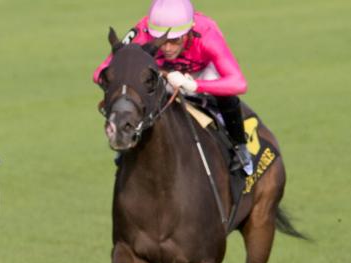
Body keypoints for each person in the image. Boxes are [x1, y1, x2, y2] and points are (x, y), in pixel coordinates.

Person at [93, 0, 254, 176]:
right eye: (161, 40)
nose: (167, 48)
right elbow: (100, 72)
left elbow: (239, 84)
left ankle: (241, 147)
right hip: (165, 74)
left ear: (189, 31)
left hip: (202, 73)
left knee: (225, 94)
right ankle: (129, 137)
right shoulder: (141, 31)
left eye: (175, 40)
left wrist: (193, 85)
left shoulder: (207, 34)